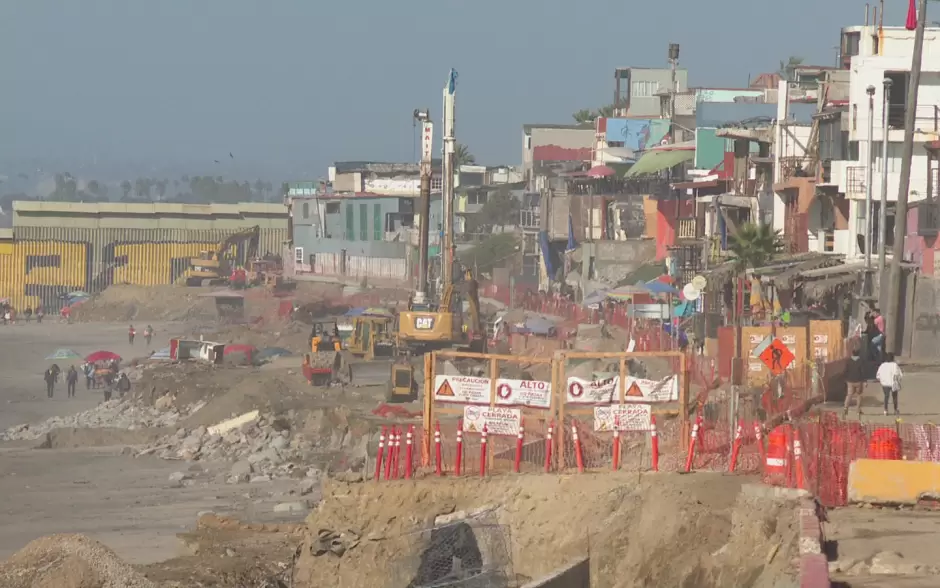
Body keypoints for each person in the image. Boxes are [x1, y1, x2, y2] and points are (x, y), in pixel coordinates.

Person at [876, 352, 903, 416]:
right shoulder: (895, 365)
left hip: (885, 384)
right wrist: (898, 380)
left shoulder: (882, 365)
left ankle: (885, 410)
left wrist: (882, 381)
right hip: (893, 383)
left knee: (886, 396)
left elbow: (878, 376)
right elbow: (899, 374)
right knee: (895, 397)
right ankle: (895, 410)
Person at [843, 349, 866, 418]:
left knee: (849, 395)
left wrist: (845, 379)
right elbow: (863, 371)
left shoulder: (848, 361)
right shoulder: (861, 361)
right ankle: (858, 410)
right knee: (859, 395)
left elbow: (845, 371)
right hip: (858, 381)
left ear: (852, 353)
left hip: (850, 381)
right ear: (859, 353)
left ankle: (845, 408)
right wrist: (865, 381)